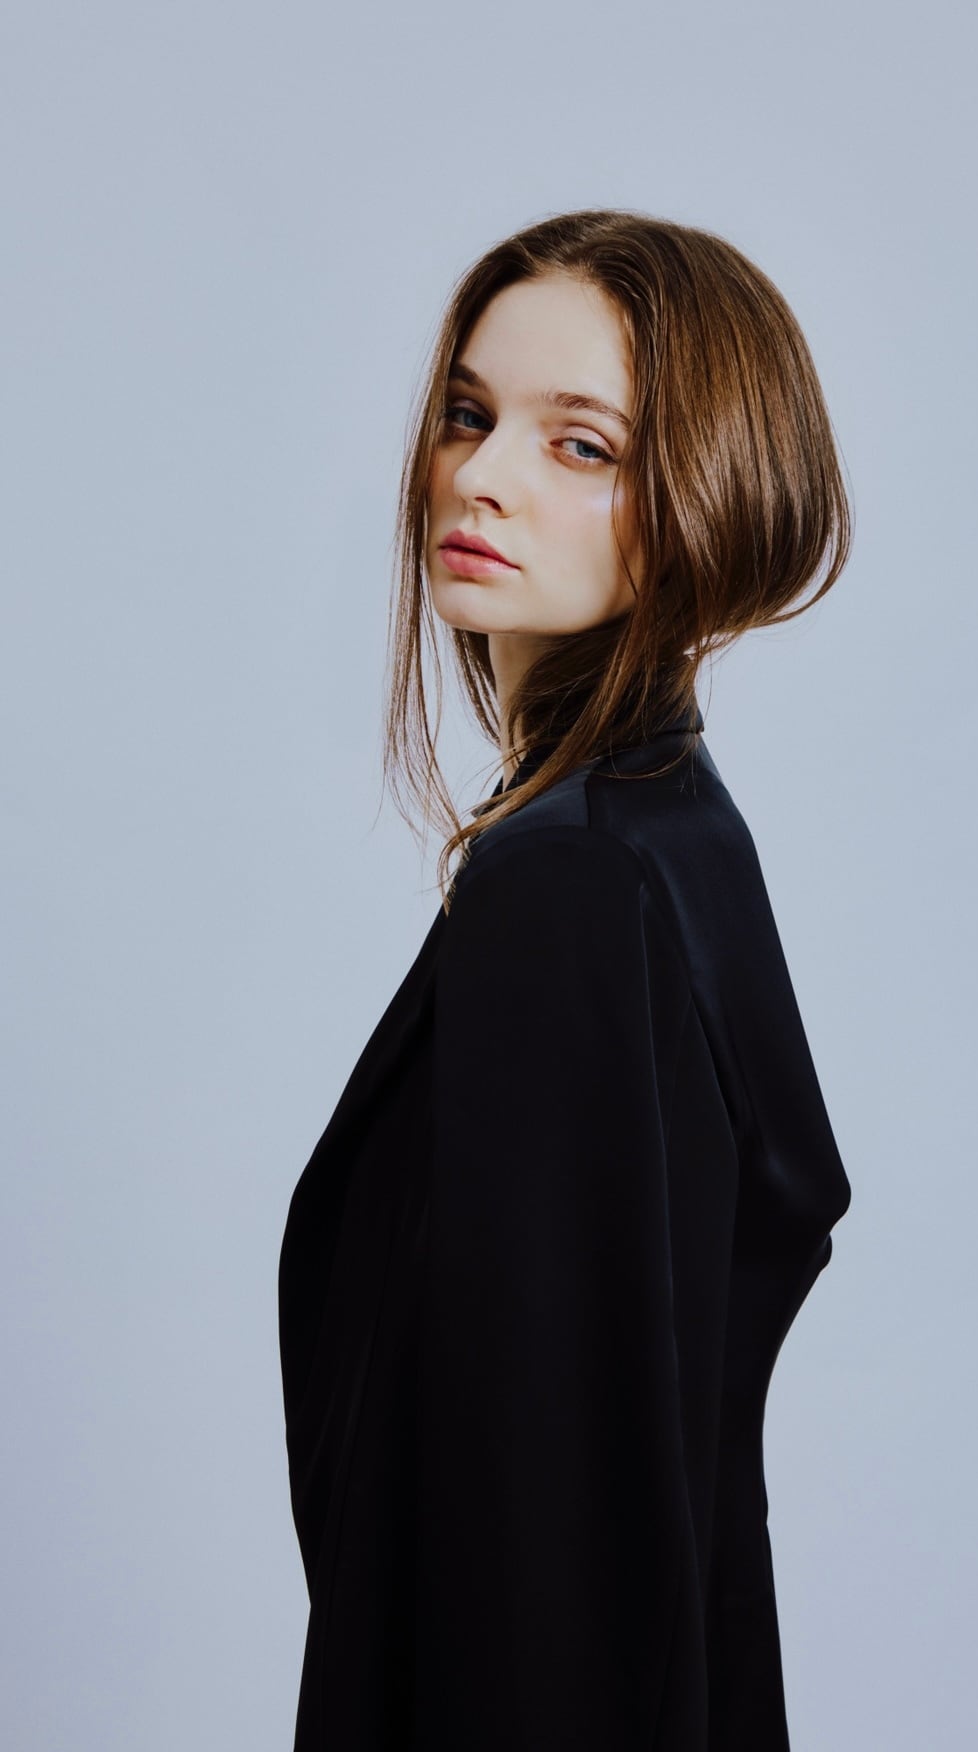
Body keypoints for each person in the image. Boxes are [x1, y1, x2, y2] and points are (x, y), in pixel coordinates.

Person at [277, 207, 853, 1751]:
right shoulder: (667, 830)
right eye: (468, 415)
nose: (481, 475)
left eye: (579, 444)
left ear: (710, 492)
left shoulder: (574, 883)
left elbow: (546, 1537)